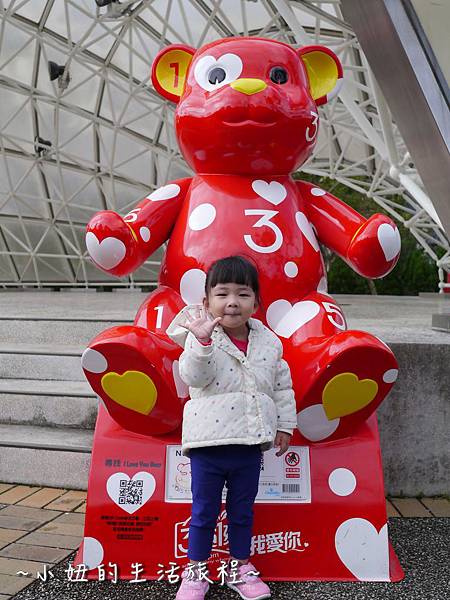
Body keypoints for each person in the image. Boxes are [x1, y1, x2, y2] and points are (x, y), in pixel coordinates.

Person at [166, 255, 297, 600]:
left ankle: (240, 568)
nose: (233, 303)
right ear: (206, 302)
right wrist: (203, 342)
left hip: (249, 444)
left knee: (242, 511)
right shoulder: (199, 338)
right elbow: (193, 377)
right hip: (208, 446)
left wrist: (285, 424)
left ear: (256, 301)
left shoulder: (270, 343)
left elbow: (281, 387)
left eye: (243, 293)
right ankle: (195, 573)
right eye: (222, 294)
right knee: (203, 512)